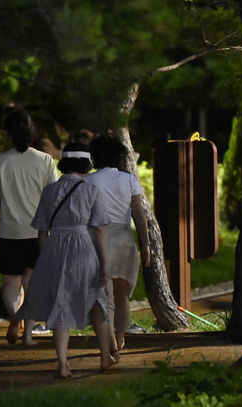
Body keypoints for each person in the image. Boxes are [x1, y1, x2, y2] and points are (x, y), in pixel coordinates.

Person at [16, 142, 115, 378]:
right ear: (85, 164)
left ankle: (62, 364)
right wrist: (105, 263)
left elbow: (41, 231)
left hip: (55, 246)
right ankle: (104, 357)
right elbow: (99, 230)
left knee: (60, 304)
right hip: (83, 246)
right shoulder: (91, 191)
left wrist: (47, 256)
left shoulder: (49, 191)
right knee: (97, 302)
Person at [0, 108, 58, 345]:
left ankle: (14, 318)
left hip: (10, 231)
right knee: (31, 284)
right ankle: (28, 336)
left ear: (8, 133)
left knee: (11, 284)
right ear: (31, 131)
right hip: (39, 232)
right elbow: (54, 194)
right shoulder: (45, 160)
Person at [86, 136, 150, 352]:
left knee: (105, 295)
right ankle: (120, 337)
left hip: (98, 239)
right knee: (122, 295)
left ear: (95, 157)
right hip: (124, 239)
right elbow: (139, 215)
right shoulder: (129, 180)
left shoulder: (88, 181)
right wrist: (146, 245)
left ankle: (109, 340)